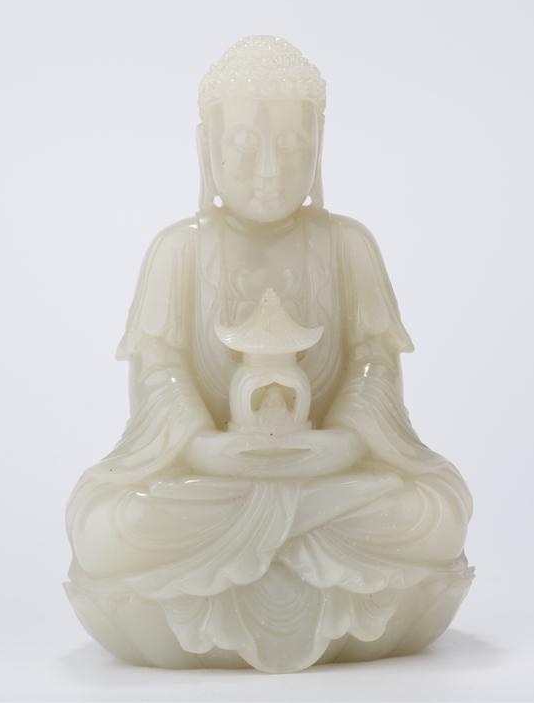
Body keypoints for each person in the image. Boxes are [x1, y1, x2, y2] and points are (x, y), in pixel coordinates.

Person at [65, 36, 473, 673]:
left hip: (326, 468)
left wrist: (343, 442)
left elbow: (375, 369)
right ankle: (297, 545)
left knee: (434, 513)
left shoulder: (349, 246)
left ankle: (263, 545)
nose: (268, 170)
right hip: (216, 475)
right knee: (111, 527)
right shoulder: (178, 251)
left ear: (319, 146)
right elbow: (159, 376)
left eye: (291, 146)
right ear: (206, 148)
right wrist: (202, 447)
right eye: (244, 144)